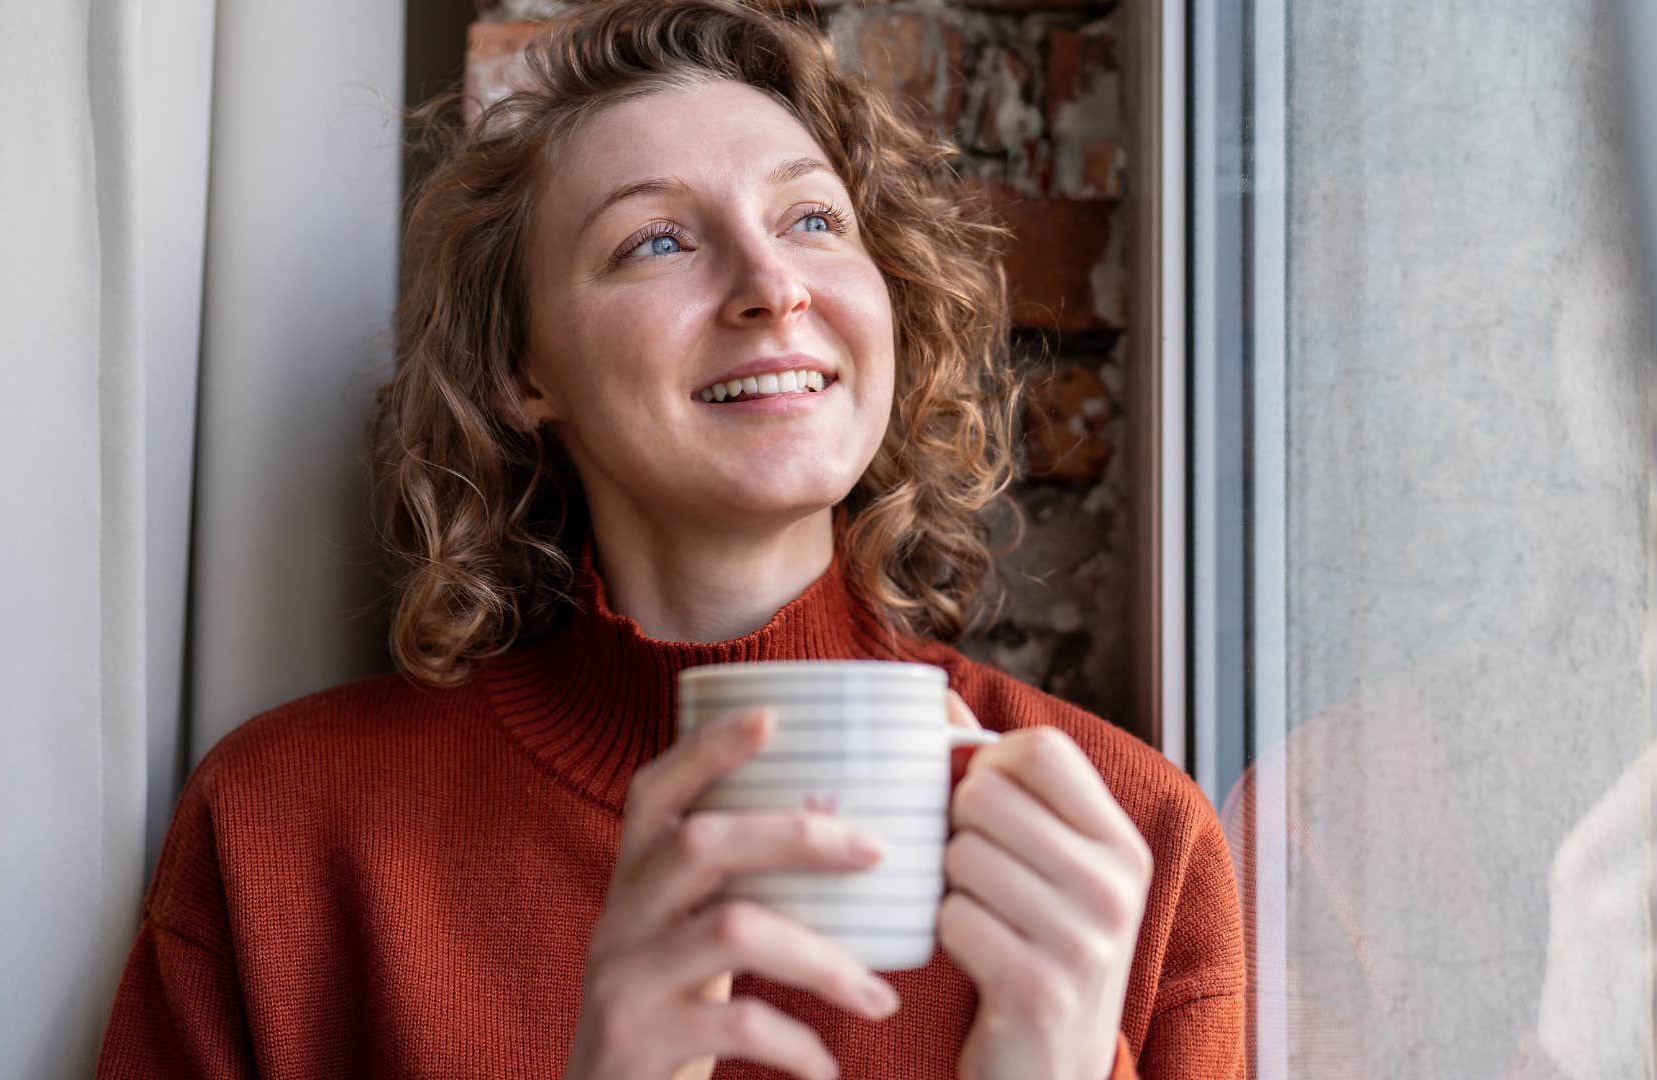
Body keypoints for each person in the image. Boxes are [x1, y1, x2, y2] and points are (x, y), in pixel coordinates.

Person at [94, 1, 1245, 1076]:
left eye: (811, 219)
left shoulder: (1130, 847)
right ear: (520, 369)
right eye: (655, 242)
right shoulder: (284, 832)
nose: (773, 286)